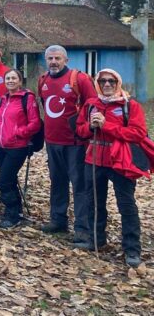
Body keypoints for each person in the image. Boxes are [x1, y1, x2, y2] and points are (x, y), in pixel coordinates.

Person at [76, 69, 147, 267]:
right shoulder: (91, 105)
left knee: (126, 205)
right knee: (94, 202)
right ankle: (96, 240)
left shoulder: (129, 105)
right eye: (103, 81)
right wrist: (90, 127)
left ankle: (132, 248)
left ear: (118, 83)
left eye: (111, 81)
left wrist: (106, 126)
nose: (107, 84)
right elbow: (80, 130)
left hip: (120, 161)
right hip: (94, 159)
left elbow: (138, 133)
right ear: (98, 83)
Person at [38, 45, 96, 244]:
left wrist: (87, 132)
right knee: (57, 182)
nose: (53, 62)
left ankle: (82, 228)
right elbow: (44, 105)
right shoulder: (43, 80)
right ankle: (58, 220)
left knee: (79, 186)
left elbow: (93, 105)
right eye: (50, 58)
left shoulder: (79, 79)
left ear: (66, 60)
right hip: (52, 141)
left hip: (75, 143)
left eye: (57, 58)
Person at [0, 69, 41, 229]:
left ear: (20, 81)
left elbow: (35, 123)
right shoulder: (3, 98)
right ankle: (18, 212)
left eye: (14, 78)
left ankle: (11, 215)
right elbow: (0, 119)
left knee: (3, 181)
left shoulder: (27, 98)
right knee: (10, 179)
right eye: (8, 78)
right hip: (1, 145)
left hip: (17, 146)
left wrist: (18, 133)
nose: (10, 81)